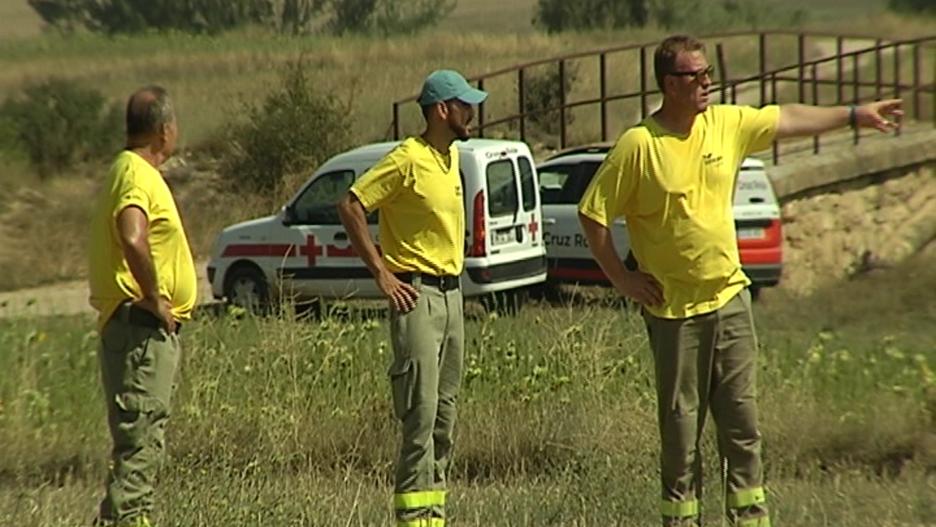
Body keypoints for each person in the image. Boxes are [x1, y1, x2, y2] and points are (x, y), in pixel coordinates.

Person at [578, 35, 901, 527]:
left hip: (730, 301)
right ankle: (681, 520)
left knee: (742, 426)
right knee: (681, 432)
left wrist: (856, 114)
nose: (709, 82)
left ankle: (750, 517)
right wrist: (623, 280)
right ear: (670, 83)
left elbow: (787, 118)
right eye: (697, 75)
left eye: (710, 73)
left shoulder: (725, 124)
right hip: (674, 315)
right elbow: (593, 216)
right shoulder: (639, 146)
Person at [337, 69, 486, 527]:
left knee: (445, 417)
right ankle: (412, 519)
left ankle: (433, 516)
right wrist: (382, 273)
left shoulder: (451, 159)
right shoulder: (407, 158)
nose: (472, 113)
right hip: (416, 296)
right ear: (442, 110)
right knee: (419, 419)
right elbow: (351, 204)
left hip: (452, 295)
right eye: (465, 105)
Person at [88, 86, 196, 527]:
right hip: (141, 333)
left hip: (137, 333)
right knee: (140, 448)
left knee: (140, 444)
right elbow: (132, 235)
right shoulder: (136, 175)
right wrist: (155, 296)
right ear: (163, 130)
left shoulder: (126, 169)